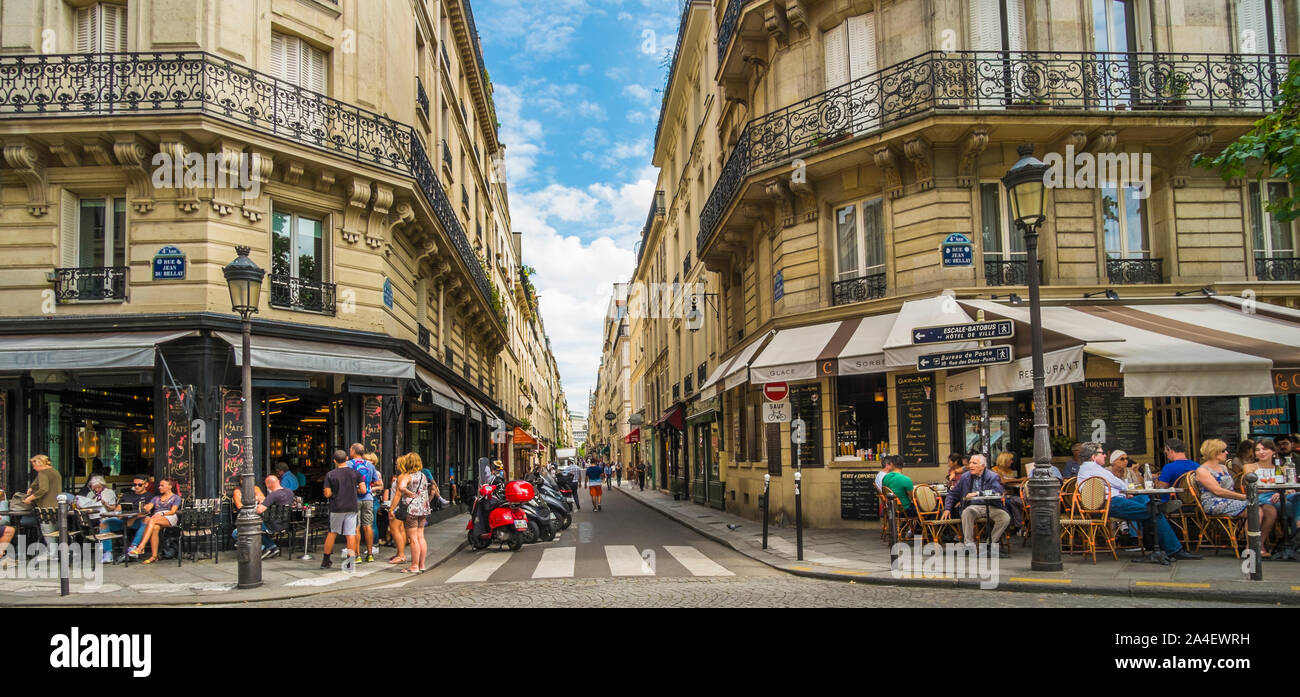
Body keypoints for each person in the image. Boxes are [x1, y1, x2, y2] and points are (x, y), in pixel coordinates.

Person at [1076, 441, 1200, 561]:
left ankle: (1155, 507)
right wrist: (1120, 487)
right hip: (1111, 503)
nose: (1104, 455)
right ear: (1093, 457)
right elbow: (1121, 485)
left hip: (1111, 501)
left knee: (1144, 499)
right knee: (1153, 512)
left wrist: (1119, 488)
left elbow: (1117, 486)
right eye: (1101, 453)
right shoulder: (1095, 469)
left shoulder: (1087, 469)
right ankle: (1174, 550)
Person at [941, 454, 1009, 556]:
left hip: (991, 506)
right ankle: (969, 545)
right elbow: (952, 493)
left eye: (974, 463)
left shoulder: (992, 476)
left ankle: (989, 545)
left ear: (982, 466)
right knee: (966, 512)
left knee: (1005, 517)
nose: (970, 465)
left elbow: (997, 491)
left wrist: (977, 493)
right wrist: (947, 509)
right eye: (970, 463)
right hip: (973, 507)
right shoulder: (965, 477)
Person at [322, 449, 366, 569]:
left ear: (335, 461)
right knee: (350, 534)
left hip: (337, 506)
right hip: (351, 506)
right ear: (347, 458)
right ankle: (350, 562)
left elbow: (327, 493)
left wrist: (334, 491)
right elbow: (363, 490)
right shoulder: (355, 473)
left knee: (332, 533)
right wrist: (353, 490)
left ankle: (326, 561)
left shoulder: (330, 474)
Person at [1244, 439, 1287, 553]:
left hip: (1276, 497)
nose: (1261, 452)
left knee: (1272, 511)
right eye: (1257, 450)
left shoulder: (1280, 467)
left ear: (1273, 451)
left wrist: (1280, 492)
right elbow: (1251, 486)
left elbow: (1287, 486)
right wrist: (1278, 490)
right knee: (1262, 512)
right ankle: (1254, 546)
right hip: (1257, 496)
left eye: (1265, 449)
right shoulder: (1250, 466)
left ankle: (1260, 544)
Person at [393, 453, 432, 573]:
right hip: (423, 509)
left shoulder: (407, 476)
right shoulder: (423, 475)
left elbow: (401, 487)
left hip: (412, 509)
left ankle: (414, 566)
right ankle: (422, 565)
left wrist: (407, 492)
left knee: (413, 538)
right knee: (421, 537)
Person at [127, 479, 182, 564]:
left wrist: (162, 514)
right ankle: (154, 556)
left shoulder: (176, 497)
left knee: (151, 519)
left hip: (169, 516)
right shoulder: (156, 498)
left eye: (162, 485)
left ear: (170, 486)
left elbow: (173, 511)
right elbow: (148, 507)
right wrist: (145, 507)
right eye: (159, 485)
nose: (159, 487)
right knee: (155, 528)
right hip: (156, 518)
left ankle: (141, 547)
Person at [104, 476, 151, 564]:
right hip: (123, 519)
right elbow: (118, 508)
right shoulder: (127, 494)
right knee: (104, 523)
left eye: (140, 485)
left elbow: (146, 512)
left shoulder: (149, 496)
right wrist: (118, 514)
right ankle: (108, 552)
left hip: (137, 520)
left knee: (147, 519)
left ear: (146, 484)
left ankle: (134, 547)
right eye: (135, 484)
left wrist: (134, 518)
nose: (136, 486)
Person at [347, 444, 382, 563]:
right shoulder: (370, 465)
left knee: (355, 526)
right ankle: (370, 554)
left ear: (353, 451)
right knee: (368, 526)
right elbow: (377, 482)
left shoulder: (349, 464)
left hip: (353, 499)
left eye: (351, 449)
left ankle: (357, 556)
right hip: (368, 498)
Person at [79, 475, 118, 563]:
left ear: (103, 485)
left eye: (98, 487)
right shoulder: (90, 494)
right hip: (92, 517)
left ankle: (107, 552)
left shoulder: (109, 492)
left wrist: (105, 504)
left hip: (106, 516)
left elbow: (113, 508)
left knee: (103, 523)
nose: (96, 490)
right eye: (94, 488)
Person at [19, 454, 61, 535]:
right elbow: (37, 482)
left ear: (40, 464)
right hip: (57, 508)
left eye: (34, 466)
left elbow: (43, 489)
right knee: (57, 534)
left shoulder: (43, 473)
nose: (34, 468)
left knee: (49, 536)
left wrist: (29, 498)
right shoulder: (55, 472)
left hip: (46, 510)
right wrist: (31, 488)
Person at [255, 474, 296, 560]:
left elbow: (259, 510)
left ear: (268, 485)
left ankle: (263, 549)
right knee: (257, 529)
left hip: (272, 525)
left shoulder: (272, 495)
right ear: (278, 481)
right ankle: (272, 548)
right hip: (285, 525)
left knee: (241, 531)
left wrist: (259, 502)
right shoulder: (290, 492)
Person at [992, 452, 1025, 532]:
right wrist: (1019, 479)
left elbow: (1011, 482)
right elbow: (1003, 481)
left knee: (1017, 502)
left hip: (1010, 494)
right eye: (1010, 460)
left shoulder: (1010, 471)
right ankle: (1018, 526)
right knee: (1016, 502)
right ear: (1005, 460)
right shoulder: (994, 470)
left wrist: (1021, 482)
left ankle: (1018, 526)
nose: (1012, 462)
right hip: (1000, 496)